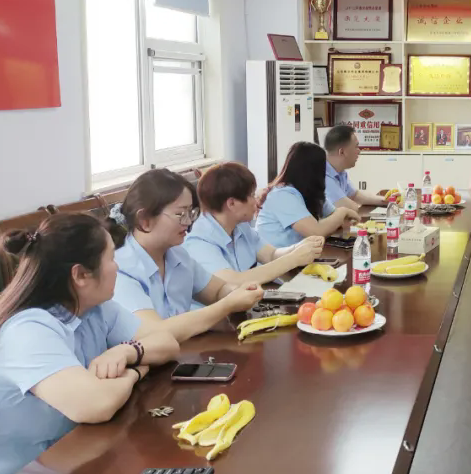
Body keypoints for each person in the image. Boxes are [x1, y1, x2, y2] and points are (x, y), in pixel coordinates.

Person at [0, 214, 179, 474]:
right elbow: (96, 405)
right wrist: (136, 370)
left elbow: (167, 342)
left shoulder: (95, 308)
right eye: (111, 258)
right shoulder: (26, 331)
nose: (117, 266)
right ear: (80, 275)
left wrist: (127, 351)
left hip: (68, 467)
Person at [109, 169, 264, 342]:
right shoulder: (119, 269)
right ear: (144, 219)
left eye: (191, 213)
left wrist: (238, 292)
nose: (189, 222)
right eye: (180, 214)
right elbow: (154, 333)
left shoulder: (177, 255)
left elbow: (217, 291)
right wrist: (227, 305)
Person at [184, 162, 324, 300]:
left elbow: (271, 255)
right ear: (231, 203)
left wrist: (299, 248)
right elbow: (232, 282)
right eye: (251, 195)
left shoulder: (240, 226)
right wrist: (293, 259)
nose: (256, 201)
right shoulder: (198, 241)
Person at [256, 141, 359, 248]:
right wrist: (343, 212)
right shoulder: (283, 195)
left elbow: (333, 217)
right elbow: (315, 231)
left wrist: (341, 216)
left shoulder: (310, 192)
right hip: (277, 257)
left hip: (300, 254)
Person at [323, 125, 397, 213]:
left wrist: (390, 200)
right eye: (356, 147)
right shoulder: (322, 175)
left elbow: (355, 195)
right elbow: (350, 207)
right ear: (342, 152)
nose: (359, 151)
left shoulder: (340, 171)